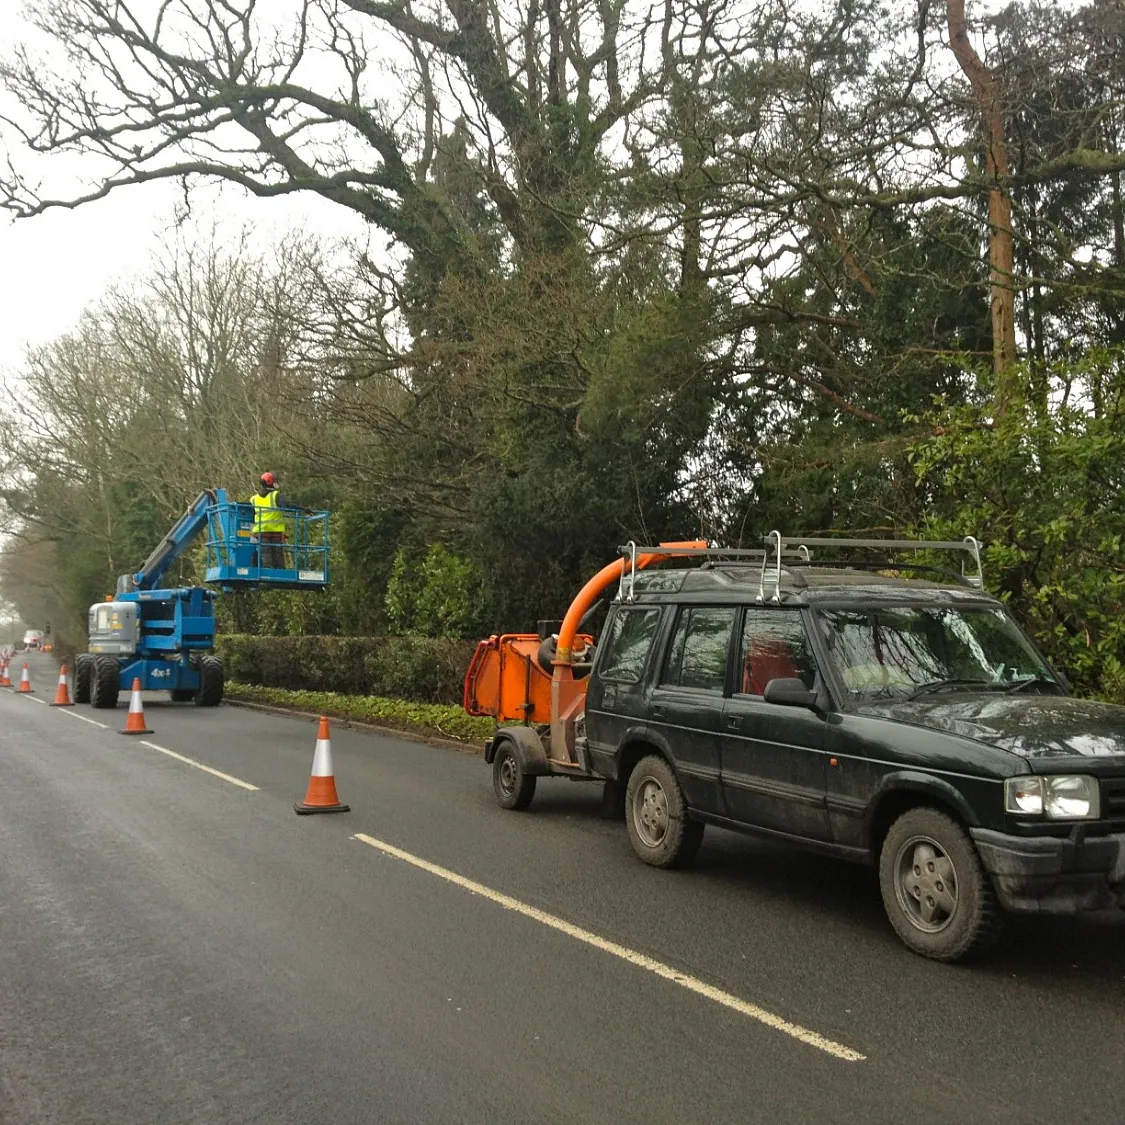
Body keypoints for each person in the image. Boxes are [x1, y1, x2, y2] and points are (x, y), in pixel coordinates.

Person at [249, 472, 306, 569]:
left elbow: (251, 515)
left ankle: (268, 573)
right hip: (276, 532)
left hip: (262, 532)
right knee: (278, 555)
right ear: (270, 482)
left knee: (266, 554)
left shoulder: (254, 499)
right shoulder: (276, 496)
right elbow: (288, 504)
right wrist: (304, 509)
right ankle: (279, 574)